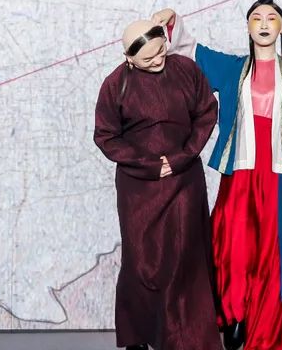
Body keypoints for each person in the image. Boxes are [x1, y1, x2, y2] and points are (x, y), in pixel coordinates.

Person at [154, 0, 282, 350]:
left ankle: (264, 321)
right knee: (232, 244)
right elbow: (191, 51)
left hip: (279, 177)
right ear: (247, 26)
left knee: (271, 250)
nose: (263, 24)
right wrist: (172, 22)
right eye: (256, 18)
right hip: (240, 173)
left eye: (271, 18)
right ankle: (234, 315)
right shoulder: (232, 69)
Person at [93, 19, 221, 350]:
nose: (158, 60)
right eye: (148, 58)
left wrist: (182, 156)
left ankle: (188, 337)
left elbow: (206, 112)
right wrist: (149, 164)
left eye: (161, 51)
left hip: (184, 180)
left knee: (185, 256)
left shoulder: (186, 70)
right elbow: (106, 135)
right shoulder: (115, 85)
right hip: (138, 188)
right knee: (140, 261)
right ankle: (138, 335)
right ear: (128, 58)